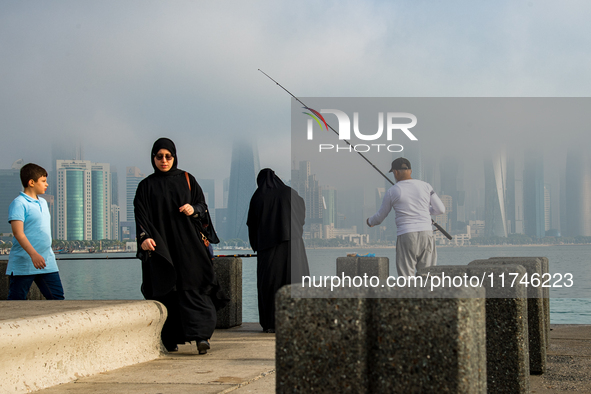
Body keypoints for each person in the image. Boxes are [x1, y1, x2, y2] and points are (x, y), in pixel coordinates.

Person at [134, 138, 228, 354]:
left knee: (194, 287)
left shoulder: (187, 179)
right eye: (159, 156)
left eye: (168, 156)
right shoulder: (146, 186)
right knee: (166, 291)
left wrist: (192, 209)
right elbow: (141, 216)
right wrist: (144, 238)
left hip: (188, 246)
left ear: (174, 157)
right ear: (153, 158)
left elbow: (202, 207)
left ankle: (201, 337)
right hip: (161, 247)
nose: (164, 160)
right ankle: (170, 338)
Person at [247, 168, 310, 333]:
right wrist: (294, 229)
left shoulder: (258, 196)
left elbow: (252, 224)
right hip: (294, 245)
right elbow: (301, 212)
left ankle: (271, 323)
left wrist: (258, 243)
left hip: (268, 249)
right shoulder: (290, 193)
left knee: (270, 284)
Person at [367, 158, 445, 278]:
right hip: (426, 233)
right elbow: (440, 210)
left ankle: (409, 296)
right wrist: (424, 210)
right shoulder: (426, 186)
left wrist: (370, 221)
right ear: (410, 171)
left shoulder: (392, 191)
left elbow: (380, 216)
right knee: (427, 276)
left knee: (406, 278)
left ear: (395, 172)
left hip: (406, 235)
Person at [6, 163, 64, 300]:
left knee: (57, 298)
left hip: (47, 261)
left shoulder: (43, 202)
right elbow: (18, 233)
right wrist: (34, 255)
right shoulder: (19, 203)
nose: (47, 184)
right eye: (43, 181)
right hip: (24, 262)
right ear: (31, 182)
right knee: (16, 301)